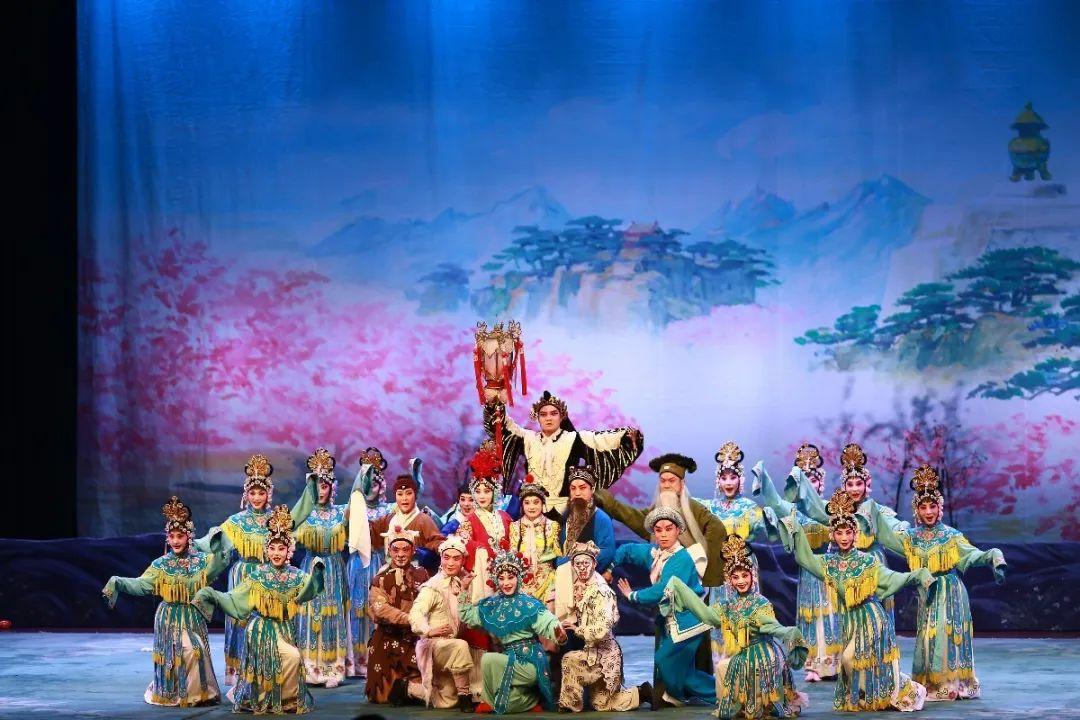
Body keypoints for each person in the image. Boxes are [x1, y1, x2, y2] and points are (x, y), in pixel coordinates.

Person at [775, 489, 933, 712]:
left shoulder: (867, 561)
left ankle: (900, 691)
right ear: (833, 535)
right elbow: (805, 558)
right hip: (850, 621)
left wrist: (916, 575)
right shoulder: (828, 563)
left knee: (850, 660)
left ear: (855, 534)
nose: (844, 538)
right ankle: (870, 695)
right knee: (858, 662)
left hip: (872, 619)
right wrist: (795, 529)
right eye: (839, 533)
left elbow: (891, 578)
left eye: (848, 532)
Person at [872, 465, 1006, 701]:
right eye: (923, 507)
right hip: (928, 593)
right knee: (929, 636)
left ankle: (953, 683)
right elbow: (886, 534)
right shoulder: (911, 537)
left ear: (939, 508)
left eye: (932, 506)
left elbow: (972, 555)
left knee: (947, 633)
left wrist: (992, 555)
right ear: (916, 510)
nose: (928, 512)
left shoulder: (951, 536)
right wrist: (867, 509)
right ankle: (933, 683)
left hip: (950, 591)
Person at [193, 454, 317, 685]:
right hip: (243, 577)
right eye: (252, 493)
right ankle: (243, 676)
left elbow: (300, 513)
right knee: (242, 624)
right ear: (246, 495)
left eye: (261, 492)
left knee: (271, 624)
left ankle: (270, 673)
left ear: (269, 493)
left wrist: (312, 487)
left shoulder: (277, 520)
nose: (257, 497)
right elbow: (212, 540)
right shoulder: (236, 521)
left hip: (271, 578)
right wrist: (192, 543)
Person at [193, 505, 326, 715]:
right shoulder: (258, 576)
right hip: (261, 631)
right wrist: (212, 594)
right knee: (292, 657)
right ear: (266, 550)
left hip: (284, 629)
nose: (276, 553)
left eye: (281, 549)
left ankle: (285, 699)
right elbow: (234, 599)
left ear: (289, 551)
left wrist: (317, 574)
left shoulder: (296, 575)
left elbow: (309, 590)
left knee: (290, 659)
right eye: (272, 548)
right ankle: (272, 698)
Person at [667, 534, 809, 720]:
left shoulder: (760, 603)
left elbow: (772, 627)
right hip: (744, 655)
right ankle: (731, 705)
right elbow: (707, 615)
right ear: (730, 580)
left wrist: (789, 632)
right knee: (722, 666)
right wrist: (680, 588)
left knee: (747, 669)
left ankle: (759, 704)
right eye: (735, 577)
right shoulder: (727, 605)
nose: (741, 581)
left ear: (752, 576)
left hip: (763, 654)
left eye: (744, 576)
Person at [102, 496, 225, 707]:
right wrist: (118, 582)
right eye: (171, 536)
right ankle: (179, 693)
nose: (175, 541)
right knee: (187, 651)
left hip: (193, 615)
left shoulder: (202, 562)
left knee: (196, 652)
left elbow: (221, 561)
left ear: (189, 537)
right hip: (169, 617)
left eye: (180, 536)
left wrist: (215, 538)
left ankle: (200, 694)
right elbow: (142, 585)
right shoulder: (160, 565)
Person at [751, 445, 842, 682]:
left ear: (820, 482)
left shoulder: (830, 508)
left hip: (831, 568)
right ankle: (813, 664)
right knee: (810, 616)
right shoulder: (794, 511)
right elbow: (776, 504)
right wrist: (764, 479)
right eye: (804, 481)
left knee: (833, 616)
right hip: (808, 571)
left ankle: (835, 662)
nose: (808, 486)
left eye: (813, 480)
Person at [614, 507, 716, 708]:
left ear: (678, 530)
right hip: (675, 621)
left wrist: (632, 595)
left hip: (689, 620)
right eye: (658, 530)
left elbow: (663, 589)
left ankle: (683, 695)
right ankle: (724, 693)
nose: (663, 534)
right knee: (685, 673)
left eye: (668, 529)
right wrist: (611, 566)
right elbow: (627, 550)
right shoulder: (655, 554)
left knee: (663, 658)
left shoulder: (681, 558)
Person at [484, 391, 643, 517]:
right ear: (537, 417)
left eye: (553, 413)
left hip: (565, 511)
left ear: (562, 417)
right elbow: (504, 427)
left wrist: (626, 436)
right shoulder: (528, 438)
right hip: (532, 510)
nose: (548, 418)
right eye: (543, 414)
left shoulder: (574, 438)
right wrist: (494, 404)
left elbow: (602, 440)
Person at [459, 539, 568, 714]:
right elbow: (468, 616)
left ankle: (522, 699)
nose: (506, 583)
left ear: (518, 578)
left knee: (489, 660)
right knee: (506, 699)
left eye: (510, 578)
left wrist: (558, 633)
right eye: (501, 578)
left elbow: (548, 621)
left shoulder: (529, 603)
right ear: (496, 580)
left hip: (531, 661)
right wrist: (464, 590)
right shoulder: (492, 604)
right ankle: (526, 700)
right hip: (509, 658)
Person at [596, 452, 728, 586]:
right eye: (663, 481)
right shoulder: (656, 509)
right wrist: (610, 503)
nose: (666, 485)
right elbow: (635, 518)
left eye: (672, 481)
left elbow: (717, 528)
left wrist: (698, 555)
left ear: (682, 484)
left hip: (691, 577)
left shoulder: (693, 508)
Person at [558, 541, 649, 712]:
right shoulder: (579, 586)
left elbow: (602, 630)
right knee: (602, 704)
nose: (582, 568)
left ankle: (570, 704)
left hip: (605, 656)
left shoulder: (602, 591)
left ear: (594, 564)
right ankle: (641, 693)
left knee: (570, 660)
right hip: (592, 651)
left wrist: (577, 629)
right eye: (578, 564)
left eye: (586, 563)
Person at [293, 448, 351, 687]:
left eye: (324, 486)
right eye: (316, 486)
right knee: (309, 615)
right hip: (310, 567)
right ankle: (308, 669)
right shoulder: (303, 515)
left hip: (334, 569)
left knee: (332, 615)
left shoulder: (341, 513)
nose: (320, 491)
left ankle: (332, 670)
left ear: (331, 488)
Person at [409, 535, 481, 711]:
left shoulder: (464, 582)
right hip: (433, 645)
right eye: (446, 558)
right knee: (460, 646)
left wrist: (464, 591)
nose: (450, 563)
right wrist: (428, 630)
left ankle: (406, 689)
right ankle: (465, 697)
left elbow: (467, 618)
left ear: (463, 560)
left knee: (447, 700)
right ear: (441, 558)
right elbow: (415, 613)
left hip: (451, 647)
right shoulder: (433, 586)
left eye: (456, 558)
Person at [364, 524, 429, 704]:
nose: (400, 554)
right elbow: (380, 609)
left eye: (405, 549)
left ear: (413, 551)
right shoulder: (380, 578)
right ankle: (404, 690)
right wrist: (410, 619)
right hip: (387, 636)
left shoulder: (422, 574)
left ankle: (408, 689)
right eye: (395, 550)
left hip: (415, 637)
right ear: (389, 551)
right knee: (381, 697)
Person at [346, 448, 393, 678]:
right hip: (357, 564)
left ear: (381, 485)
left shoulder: (389, 509)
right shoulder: (354, 508)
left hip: (379, 562)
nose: (371, 488)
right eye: (367, 483)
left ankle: (378, 657)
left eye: (375, 483)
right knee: (357, 609)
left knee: (379, 608)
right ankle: (356, 661)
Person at [553, 465, 617, 624]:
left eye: (582, 488)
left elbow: (607, 551)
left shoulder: (601, 518)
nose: (577, 493)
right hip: (564, 582)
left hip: (590, 582)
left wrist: (569, 562)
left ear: (592, 489)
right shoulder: (565, 516)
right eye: (573, 488)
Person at [369, 458, 444, 575]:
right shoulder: (389, 519)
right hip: (390, 572)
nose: (404, 498)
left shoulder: (423, 520)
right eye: (400, 494)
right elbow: (371, 532)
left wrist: (446, 547)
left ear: (415, 496)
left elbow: (436, 541)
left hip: (415, 575)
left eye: (408, 493)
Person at [508, 475, 560, 607]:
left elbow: (559, 556)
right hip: (522, 582)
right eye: (527, 503)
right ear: (522, 505)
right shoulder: (514, 527)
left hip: (547, 581)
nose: (531, 507)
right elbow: (512, 557)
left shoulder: (553, 526)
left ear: (543, 504)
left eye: (536, 502)